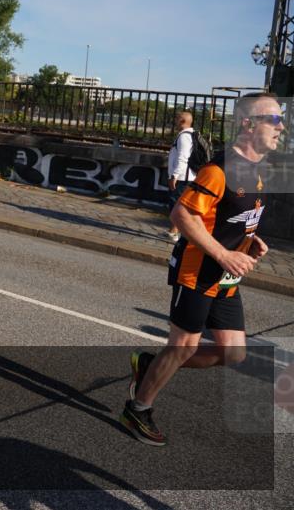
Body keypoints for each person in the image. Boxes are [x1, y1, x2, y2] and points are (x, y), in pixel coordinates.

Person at [121, 92, 284, 447]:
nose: (281, 126)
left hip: (226, 278)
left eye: (281, 119)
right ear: (247, 124)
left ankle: (150, 366)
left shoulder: (259, 171)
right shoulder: (217, 170)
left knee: (233, 352)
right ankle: (138, 408)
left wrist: (250, 241)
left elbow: (236, 217)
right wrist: (224, 254)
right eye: (272, 119)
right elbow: (181, 215)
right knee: (183, 346)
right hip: (196, 272)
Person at [166, 111, 196, 242]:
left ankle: (176, 233)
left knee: (176, 205)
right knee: (178, 205)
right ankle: (174, 231)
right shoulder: (191, 134)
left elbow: (183, 158)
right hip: (186, 176)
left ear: (182, 121)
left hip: (182, 178)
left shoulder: (184, 137)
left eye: (177, 118)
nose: (175, 121)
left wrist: (174, 176)